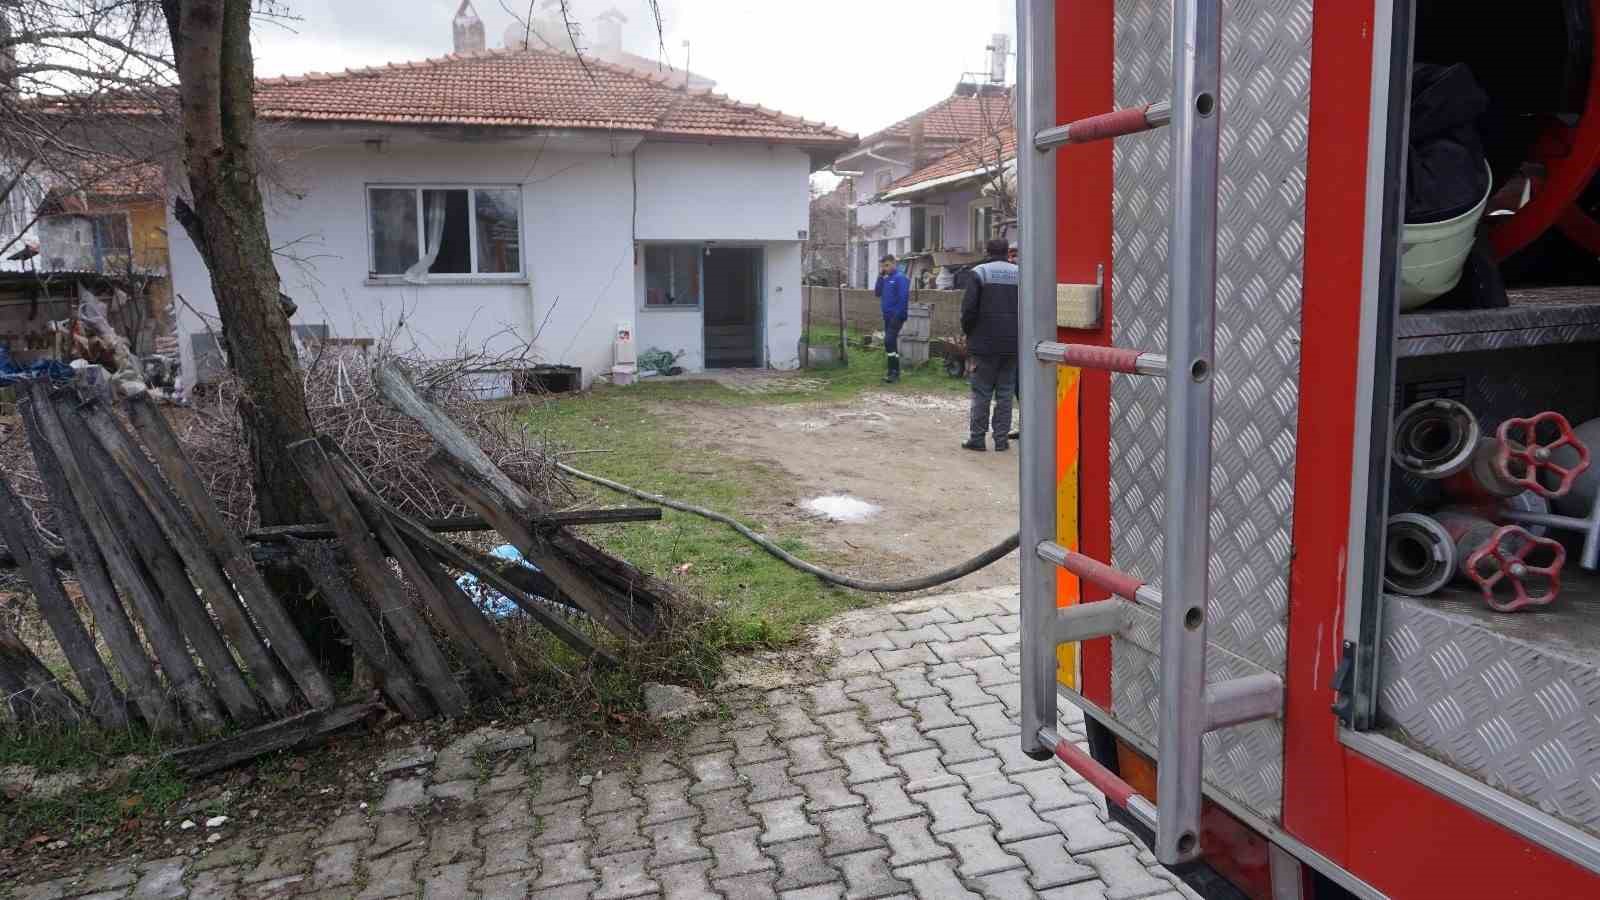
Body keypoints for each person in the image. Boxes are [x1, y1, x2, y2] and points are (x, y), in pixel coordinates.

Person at [961, 238, 1019, 451]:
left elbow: (968, 310)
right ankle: (1001, 441)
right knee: (1005, 395)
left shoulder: (980, 272)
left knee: (982, 392)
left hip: (984, 345)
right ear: (1007, 252)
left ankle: (977, 439)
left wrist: (970, 334)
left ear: (988, 251)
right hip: (1012, 345)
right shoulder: (1019, 273)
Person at [874, 254, 910, 383]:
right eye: (883, 266)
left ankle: (894, 372)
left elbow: (903, 298)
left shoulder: (901, 278)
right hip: (887, 316)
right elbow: (877, 293)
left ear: (894, 264)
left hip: (897, 316)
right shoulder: (886, 278)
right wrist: (880, 276)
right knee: (890, 343)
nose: (885, 268)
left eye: (887, 265)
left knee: (888, 341)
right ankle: (893, 372)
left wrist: (898, 315)